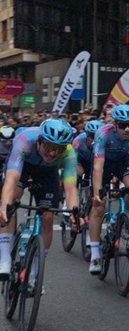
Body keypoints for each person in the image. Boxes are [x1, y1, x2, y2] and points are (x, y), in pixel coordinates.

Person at [0, 116, 80, 276]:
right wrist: (4, 205)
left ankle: (36, 268)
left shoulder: (69, 152)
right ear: (40, 141)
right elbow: (12, 178)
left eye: (59, 148)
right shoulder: (25, 140)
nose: (53, 153)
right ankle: (4, 258)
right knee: (11, 202)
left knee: (48, 217)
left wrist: (74, 212)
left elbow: (70, 187)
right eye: (49, 146)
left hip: (47, 172)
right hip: (24, 165)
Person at [88, 104, 129, 275]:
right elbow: (97, 167)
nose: (127, 129)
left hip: (122, 162)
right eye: (123, 125)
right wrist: (97, 193)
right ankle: (95, 253)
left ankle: (121, 217)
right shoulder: (103, 133)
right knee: (98, 206)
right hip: (103, 164)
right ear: (115, 124)